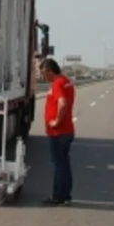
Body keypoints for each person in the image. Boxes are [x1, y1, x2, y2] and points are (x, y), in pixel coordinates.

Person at [39, 58, 75, 205]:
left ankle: (58, 196)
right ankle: (65, 195)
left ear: (49, 70)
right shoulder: (66, 80)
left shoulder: (58, 83)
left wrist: (57, 121)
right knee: (64, 165)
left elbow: (62, 103)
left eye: (43, 73)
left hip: (58, 132)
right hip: (66, 131)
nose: (43, 77)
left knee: (58, 166)